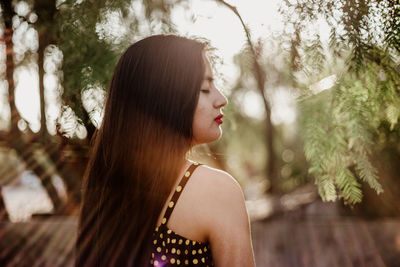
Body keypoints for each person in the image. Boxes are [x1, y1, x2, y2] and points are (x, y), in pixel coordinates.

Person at [75, 34, 255, 267]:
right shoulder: (217, 190)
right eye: (204, 88)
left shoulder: (104, 194)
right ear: (165, 98)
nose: (221, 99)